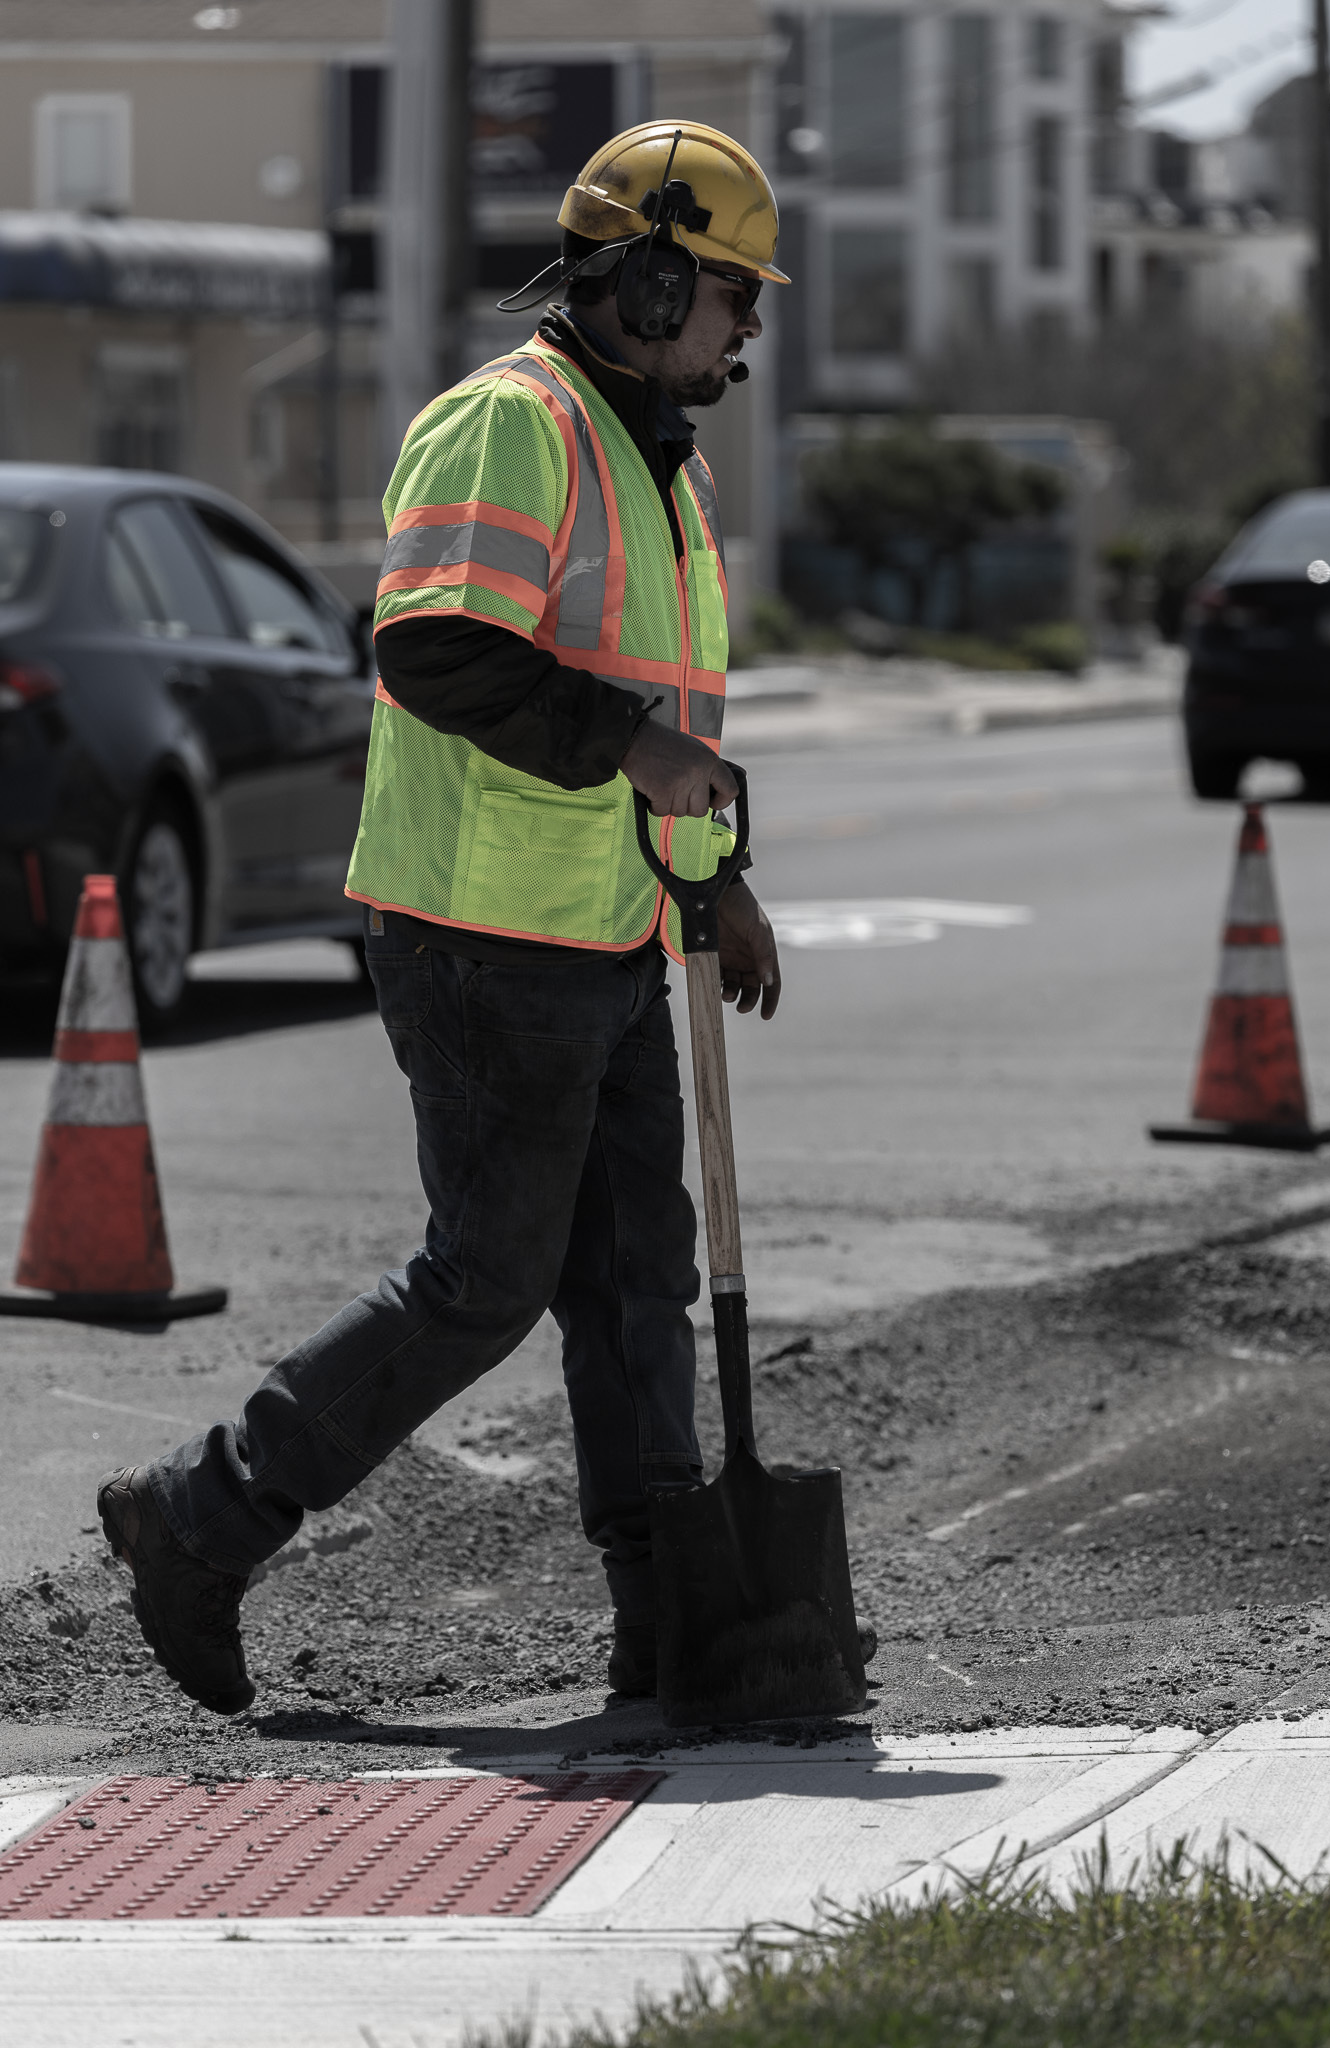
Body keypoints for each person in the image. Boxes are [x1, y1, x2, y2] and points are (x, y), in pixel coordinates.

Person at [97, 120, 788, 1716]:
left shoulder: (654, 460)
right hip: (480, 934)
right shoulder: (512, 427)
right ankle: (198, 1523)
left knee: (634, 1284)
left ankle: (670, 1622)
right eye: (735, 294)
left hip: (606, 928)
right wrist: (637, 749)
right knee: (486, 1278)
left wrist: (715, 882)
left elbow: (659, 715)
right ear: (656, 276)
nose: (749, 326)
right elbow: (434, 653)